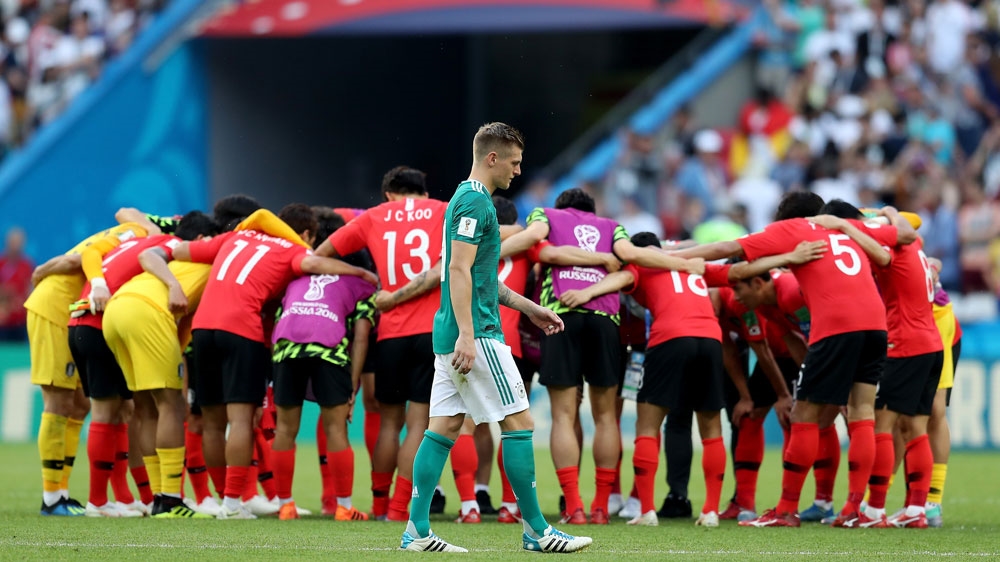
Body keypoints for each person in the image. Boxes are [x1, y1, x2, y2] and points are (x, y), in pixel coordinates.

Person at [399, 122, 591, 553]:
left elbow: (484, 279)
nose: (519, 171)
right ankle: (538, 531)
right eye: (515, 162)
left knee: (444, 428)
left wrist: (530, 308)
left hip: (454, 332)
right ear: (492, 158)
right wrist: (469, 334)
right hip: (477, 335)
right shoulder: (473, 202)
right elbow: (457, 271)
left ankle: (416, 531)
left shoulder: (469, 200)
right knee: (520, 423)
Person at [672, 192, 915, 528]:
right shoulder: (848, 229)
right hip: (876, 325)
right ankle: (857, 510)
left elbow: (726, 249)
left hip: (836, 326)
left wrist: (678, 256)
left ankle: (786, 510)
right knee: (862, 413)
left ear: (787, 217)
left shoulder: (795, 229)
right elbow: (906, 234)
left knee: (804, 414)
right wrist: (880, 214)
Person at [557, 232, 826, 528]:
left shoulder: (642, 266)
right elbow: (740, 271)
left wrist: (584, 293)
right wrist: (788, 258)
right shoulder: (694, 265)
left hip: (669, 337)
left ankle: (646, 511)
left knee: (648, 424)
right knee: (711, 427)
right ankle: (710, 511)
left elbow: (619, 280)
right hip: (710, 340)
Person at [500, 187, 701, 525]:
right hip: (606, 319)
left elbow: (536, 244)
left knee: (564, 415)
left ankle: (575, 506)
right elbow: (630, 254)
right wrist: (682, 262)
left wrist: (480, 255)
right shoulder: (611, 226)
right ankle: (601, 507)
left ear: (561, 209)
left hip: (559, 313)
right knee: (606, 416)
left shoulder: (546, 215)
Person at [166, 204, 376, 519]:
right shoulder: (292, 249)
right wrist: (361, 272)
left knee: (211, 423)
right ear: (305, 233)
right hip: (243, 330)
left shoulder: (233, 239)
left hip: (203, 329)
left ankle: (231, 501)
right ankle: (236, 504)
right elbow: (312, 262)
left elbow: (179, 250)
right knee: (240, 420)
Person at [315, 166, 461, 522]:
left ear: (388, 194)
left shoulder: (374, 216)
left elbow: (322, 252)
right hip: (433, 332)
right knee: (419, 425)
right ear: (423, 193)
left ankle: (378, 505)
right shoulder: (444, 211)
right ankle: (398, 509)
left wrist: (365, 278)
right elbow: (452, 264)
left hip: (390, 335)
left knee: (389, 424)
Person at [818, 201, 943, 528]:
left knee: (882, 426)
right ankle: (916, 510)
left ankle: (874, 510)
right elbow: (904, 232)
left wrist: (849, 227)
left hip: (905, 343)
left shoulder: (888, 242)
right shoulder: (913, 241)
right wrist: (888, 211)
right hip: (931, 342)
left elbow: (884, 252)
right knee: (914, 427)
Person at [26, 218, 162, 516]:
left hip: (74, 312)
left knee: (80, 405)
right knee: (59, 402)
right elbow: (77, 259)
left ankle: (63, 493)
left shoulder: (134, 230)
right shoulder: (141, 240)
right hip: (55, 307)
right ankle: (52, 498)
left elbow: (125, 211)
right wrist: (41, 271)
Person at [100, 211, 221, 518]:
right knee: (172, 406)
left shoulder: (179, 258)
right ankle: (169, 498)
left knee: (145, 409)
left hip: (116, 311)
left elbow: (185, 324)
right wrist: (173, 286)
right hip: (148, 313)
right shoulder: (210, 261)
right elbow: (147, 256)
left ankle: (158, 498)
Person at [269, 213, 376, 522]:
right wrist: (352, 387)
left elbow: (280, 317)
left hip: (287, 347)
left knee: (286, 429)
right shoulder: (360, 282)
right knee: (336, 428)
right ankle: (343, 506)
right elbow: (361, 337)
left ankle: (286, 506)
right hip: (329, 350)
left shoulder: (296, 274)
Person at [0, 227, 33, 341]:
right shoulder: (1, 263)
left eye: (19, 242)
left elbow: (30, 291)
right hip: (2, 324)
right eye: (14, 242)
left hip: (20, 322)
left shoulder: (27, 265)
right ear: (7, 242)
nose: (16, 245)